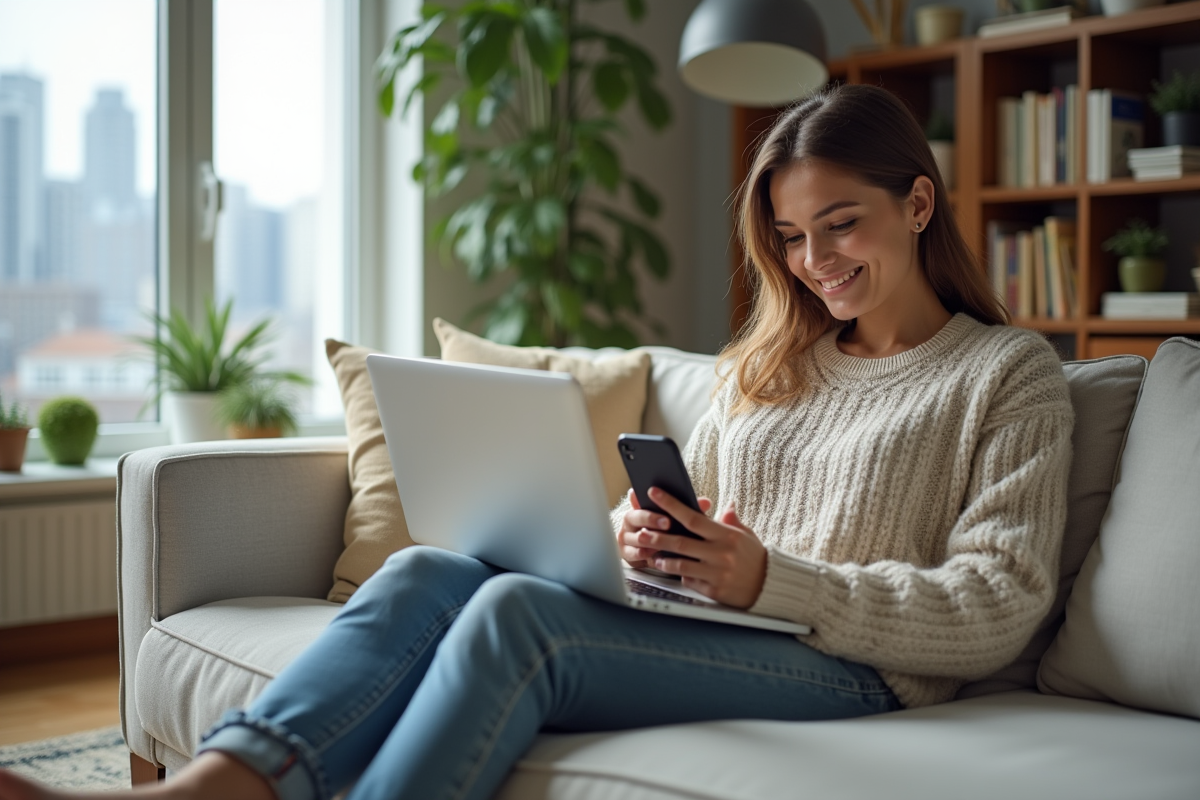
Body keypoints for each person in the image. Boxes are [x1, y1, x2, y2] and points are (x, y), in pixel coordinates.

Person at [0, 83, 1073, 800]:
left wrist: (776, 581)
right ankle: (211, 787)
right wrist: (650, 538)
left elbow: (996, 603)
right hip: (737, 625)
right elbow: (720, 534)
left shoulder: (1005, 372)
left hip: (864, 670)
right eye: (789, 237)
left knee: (523, 618)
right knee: (430, 568)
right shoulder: (772, 362)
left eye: (841, 222)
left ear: (918, 201)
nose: (814, 260)